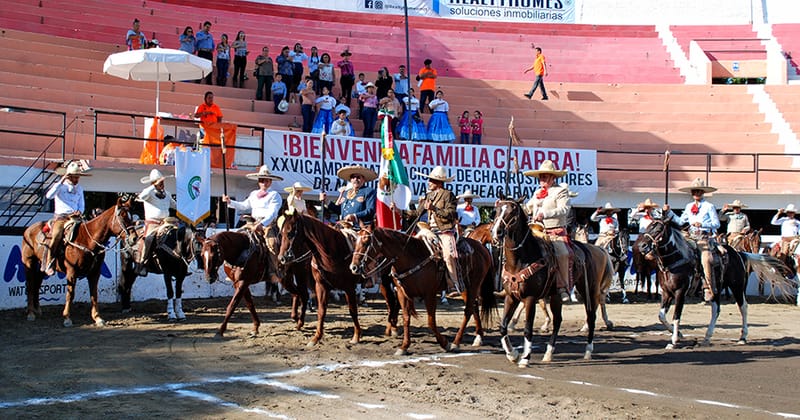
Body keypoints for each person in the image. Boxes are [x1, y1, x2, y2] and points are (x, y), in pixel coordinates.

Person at [663, 178, 721, 302]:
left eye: (698, 191)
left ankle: (708, 287)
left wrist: (703, 224)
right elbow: (680, 221)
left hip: (703, 238)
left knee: (706, 259)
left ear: (703, 192)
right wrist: (669, 212)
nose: (696, 193)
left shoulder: (709, 206)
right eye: (694, 191)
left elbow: (717, 224)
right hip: (689, 237)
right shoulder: (689, 206)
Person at [524, 159, 571, 302]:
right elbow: (527, 209)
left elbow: (564, 209)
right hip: (535, 232)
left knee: (562, 253)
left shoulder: (560, 191)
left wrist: (545, 214)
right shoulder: (537, 193)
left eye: (545, 176)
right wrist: (510, 206)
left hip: (554, 232)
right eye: (540, 177)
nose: (542, 179)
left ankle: (563, 287)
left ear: (553, 177)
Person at [414, 166, 461, 298]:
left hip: (444, 231)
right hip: (429, 230)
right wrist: (399, 210)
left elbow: (451, 214)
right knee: (412, 245)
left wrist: (434, 208)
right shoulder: (428, 196)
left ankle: (454, 284)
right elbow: (416, 214)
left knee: (448, 256)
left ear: (438, 182)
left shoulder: (448, 195)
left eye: (431, 180)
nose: (428, 182)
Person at [43, 161, 89, 276]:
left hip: (76, 218)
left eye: (78, 177)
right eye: (75, 177)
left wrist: (80, 211)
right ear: (69, 176)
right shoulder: (60, 186)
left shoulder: (79, 188)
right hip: (61, 218)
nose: (77, 179)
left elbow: (81, 205)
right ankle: (49, 262)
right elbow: (49, 196)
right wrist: (61, 180)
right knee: (56, 236)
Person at [134, 169, 177, 276]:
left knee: (180, 235)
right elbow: (141, 197)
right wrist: (153, 186)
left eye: (162, 182)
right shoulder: (148, 193)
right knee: (149, 239)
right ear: (154, 183)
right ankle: (142, 263)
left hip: (166, 223)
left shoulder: (167, 194)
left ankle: (180, 264)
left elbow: (175, 205)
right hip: (152, 224)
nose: (162, 184)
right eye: (160, 182)